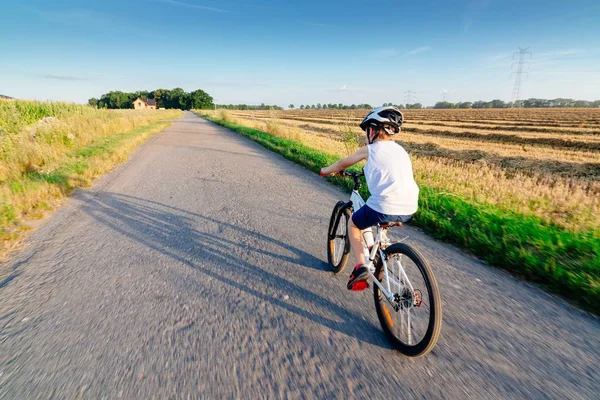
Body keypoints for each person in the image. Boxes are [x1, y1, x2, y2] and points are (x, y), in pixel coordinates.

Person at [320, 106, 419, 291]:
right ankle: (380, 248)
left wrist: (326, 171)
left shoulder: (370, 149)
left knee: (354, 224)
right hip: (410, 205)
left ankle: (361, 267)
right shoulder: (400, 151)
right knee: (381, 217)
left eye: (367, 131)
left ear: (372, 130)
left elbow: (342, 163)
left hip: (385, 205)